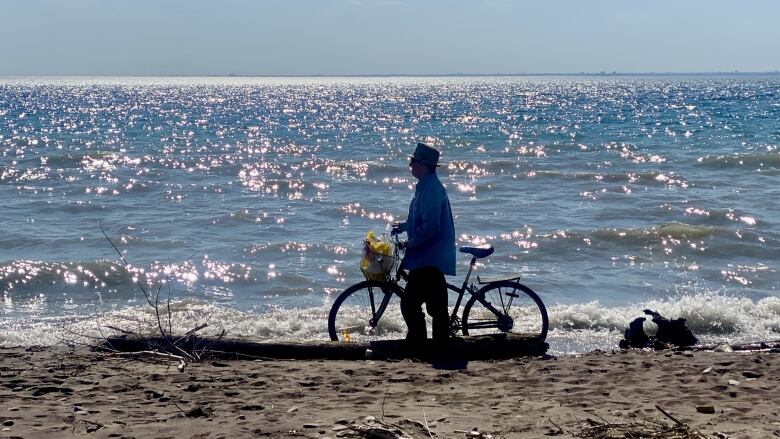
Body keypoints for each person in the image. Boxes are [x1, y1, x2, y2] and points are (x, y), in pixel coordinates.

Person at [392, 143, 456, 349]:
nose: (410, 165)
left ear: (424, 166)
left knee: (411, 304)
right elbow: (420, 220)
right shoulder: (425, 186)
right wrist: (403, 226)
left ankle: (421, 343)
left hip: (430, 256)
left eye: (413, 162)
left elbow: (431, 228)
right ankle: (433, 344)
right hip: (427, 256)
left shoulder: (431, 190)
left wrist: (409, 243)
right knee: (435, 306)